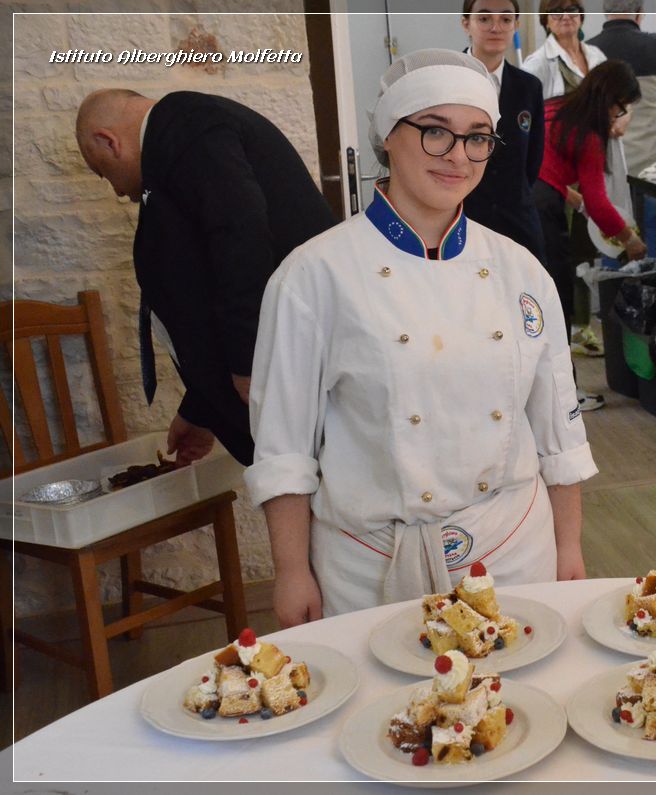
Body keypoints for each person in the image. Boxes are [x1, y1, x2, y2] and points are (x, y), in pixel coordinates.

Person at [246, 49, 598, 627]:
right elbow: (284, 447)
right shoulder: (313, 275)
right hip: (369, 567)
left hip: (513, 551)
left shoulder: (521, 272)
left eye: (478, 137)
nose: (458, 156)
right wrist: (290, 571)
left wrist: (569, 546)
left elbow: (559, 430)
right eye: (435, 131)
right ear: (389, 135)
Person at [75, 89, 336, 467]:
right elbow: (204, 282)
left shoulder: (188, 124)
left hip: (289, 366)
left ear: (108, 141)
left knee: (309, 487)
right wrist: (200, 409)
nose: (116, 190)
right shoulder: (177, 139)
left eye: (102, 172)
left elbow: (240, 238)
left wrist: (249, 361)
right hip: (280, 365)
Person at [535, 61, 647, 412]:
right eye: (621, 108)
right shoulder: (588, 134)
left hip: (520, 203)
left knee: (532, 301)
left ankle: (539, 394)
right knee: (557, 302)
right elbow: (600, 204)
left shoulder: (554, 107)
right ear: (610, 100)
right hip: (542, 212)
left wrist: (573, 198)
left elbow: (542, 165)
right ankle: (564, 398)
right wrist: (630, 240)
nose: (618, 116)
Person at [587, 0, 656, 259]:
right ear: (640, 14)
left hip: (610, 162)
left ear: (605, 12)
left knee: (613, 235)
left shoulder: (590, 51)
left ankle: (615, 283)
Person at [461, 0, 547, 265]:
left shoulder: (528, 87)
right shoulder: (446, 79)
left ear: (516, 25)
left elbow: (532, 161)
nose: (496, 27)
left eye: (506, 19)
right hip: (462, 218)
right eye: (484, 18)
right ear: (466, 24)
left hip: (517, 220)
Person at [521, 0, 607, 101]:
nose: (566, 16)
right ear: (546, 22)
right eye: (557, 12)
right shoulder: (536, 63)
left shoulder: (597, 55)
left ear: (581, 18)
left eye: (572, 10)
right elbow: (522, 106)